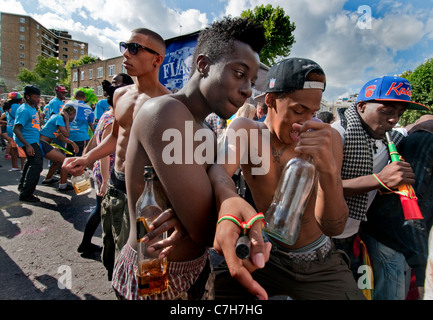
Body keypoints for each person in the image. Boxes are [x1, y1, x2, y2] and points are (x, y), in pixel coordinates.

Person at [111, 16, 266, 300]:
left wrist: (207, 212)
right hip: (155, 279)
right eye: (239, 74)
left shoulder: (203, 127)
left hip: (193, 271)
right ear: (203, 65)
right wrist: (201, 220)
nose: (247, 90)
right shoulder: (165, 112)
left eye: (252, 82)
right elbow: (208, 231)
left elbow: (209, 209)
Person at [209, 57, 363, 300]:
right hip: (264, 254)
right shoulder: (247, 131)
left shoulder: (327, 138)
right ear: (270, 100)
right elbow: (219, 173)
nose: (306, 122)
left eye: (313, 112)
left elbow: (334, 226)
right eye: (298, 110)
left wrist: (327, 170)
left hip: (318, 262)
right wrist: (228, 201)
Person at [63, 28, 170, 281]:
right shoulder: (120, 94)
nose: (125, 53)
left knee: (139, 268)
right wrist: (86, 159)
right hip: (114, 187)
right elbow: (114, 138)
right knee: (111, 258)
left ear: (157, 59)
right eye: (125, 46)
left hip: (143, 198)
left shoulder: (168, 103)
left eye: (134, 48)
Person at [331, 76, 429, 286]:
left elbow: (420, 125)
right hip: (322, 234)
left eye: (399, 114)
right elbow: (321, 190)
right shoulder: (338, 134)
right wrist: (379, 180)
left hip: (354, 234)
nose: (393, 120)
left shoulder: (391, 139)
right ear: (362, 106)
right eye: (386, 111)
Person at [359, 114, 433, 300]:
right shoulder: (425, 140)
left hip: (399, 240)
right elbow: (411, 206)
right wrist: (421, 266)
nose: (393, 118)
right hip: (393, 241)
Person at [77, 75, 133, 255]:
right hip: (108, 172)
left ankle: (86, 244)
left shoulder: (105, 116)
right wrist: (104, 180)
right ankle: (88, 245)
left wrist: (85, 159)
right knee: (102, 212)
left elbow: (94, 141)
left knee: (100, 210)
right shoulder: (113, 120)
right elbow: (106, 153)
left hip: (103, 172)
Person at [13, 85, 43, 203]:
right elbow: (16, 129)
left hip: (32, 140)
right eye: (35, 97)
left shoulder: (32, 108)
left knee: (30, 163)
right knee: (37, 165)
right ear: (27, 96)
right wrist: (27, 145)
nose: (38, 99)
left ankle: (22, 186)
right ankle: (26, 193)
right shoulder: (24, 110)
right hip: (28, 141)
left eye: (38, 97)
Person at [39, 103, 78, 192]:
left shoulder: (58, 118)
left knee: (57, 161)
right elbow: (66, 134)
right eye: (73, 115)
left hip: (44, 142)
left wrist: (71, 142)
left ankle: (48, 179)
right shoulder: (59, 118)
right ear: (68, 114)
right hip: (42, 143)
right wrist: (67, 120)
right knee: (65, 161)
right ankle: (63, 185)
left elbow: (58, 135)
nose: (73, 118)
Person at [66, 90, 95, 157]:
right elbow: (91, 123)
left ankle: (67, 167)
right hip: (81, 135)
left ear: (75, 96)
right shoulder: (88, 108)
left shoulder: (68, 104)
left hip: (68, 134)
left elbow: (61, 117)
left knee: (68, 154)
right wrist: (95, 134)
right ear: (84, 98)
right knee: (79, 155)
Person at [2, 92, 26, 171]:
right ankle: (23, 168)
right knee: (21, 149)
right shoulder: (17, 106)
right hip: (17, 130)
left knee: (14, 148)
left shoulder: (8, 106)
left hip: (9, 129)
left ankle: (14, 166)